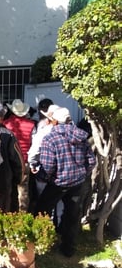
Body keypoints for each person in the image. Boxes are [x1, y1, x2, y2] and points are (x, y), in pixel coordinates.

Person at [36, 107, 96, 257]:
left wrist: (42, 176)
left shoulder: (50, 138)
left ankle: (41, 243)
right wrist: (82, 174)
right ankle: (68, 248)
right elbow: (91, 161)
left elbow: (48, 166)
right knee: (72, 214)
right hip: (77, 183)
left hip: (58, 183)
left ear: (55, 121)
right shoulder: (82, 136)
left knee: (42, 211)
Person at [0, 103, 24, 214]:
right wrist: (17, 179)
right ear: (2, 117)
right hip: (3, 182)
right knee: (3, 214)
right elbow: (17, 161)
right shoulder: (9, 135)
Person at [4, 99, 35, 212]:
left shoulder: (5, 124)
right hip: (24, 161)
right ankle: (22, 214)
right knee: (23, 190)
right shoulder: (31, 125)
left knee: (8, 188)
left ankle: (9, 212)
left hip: (8, 161)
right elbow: (34, 144)